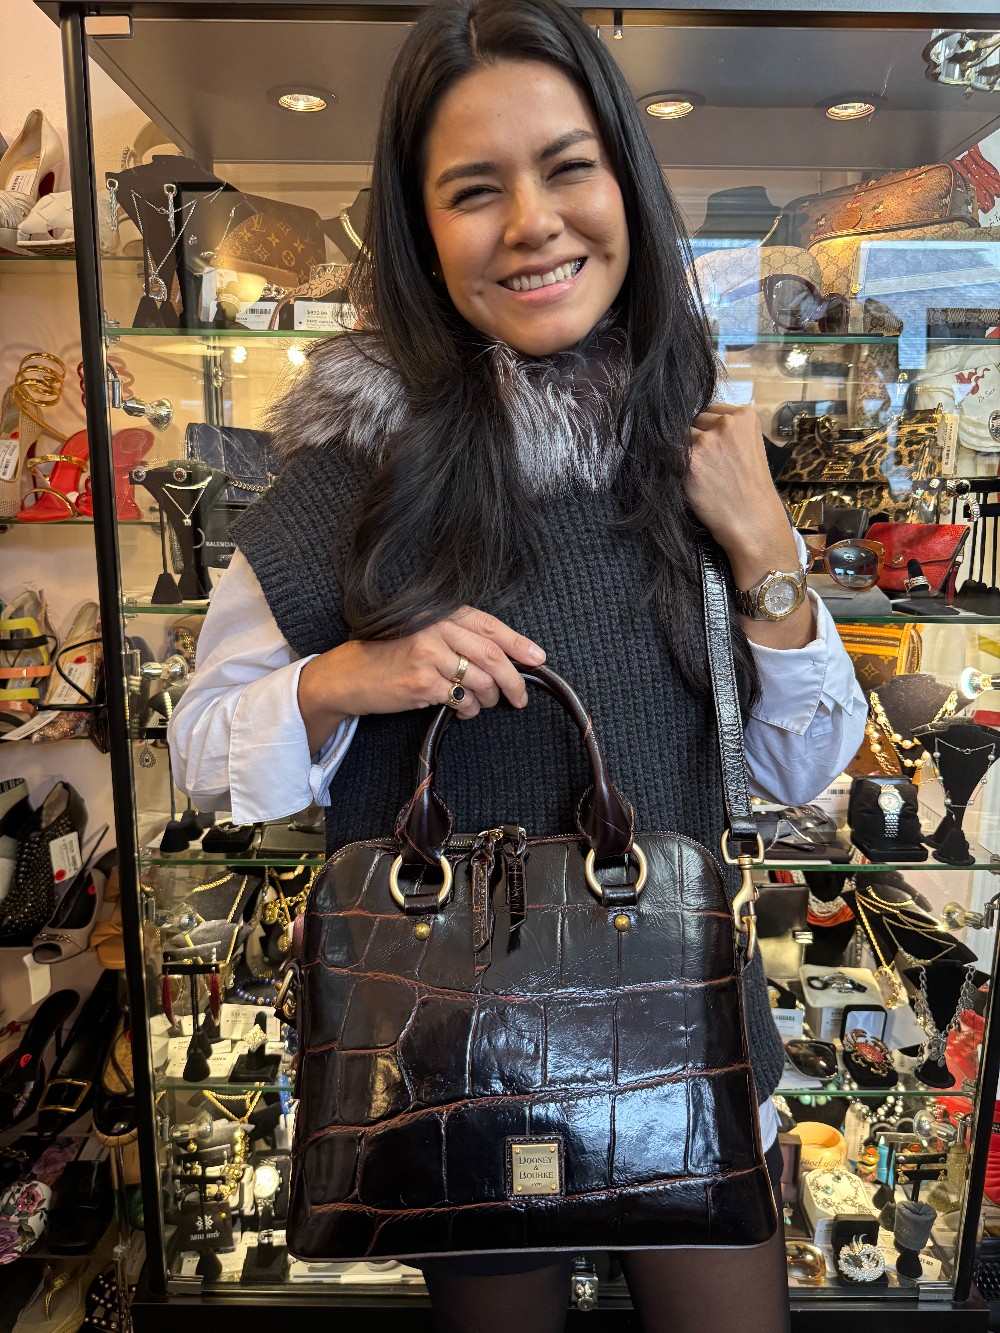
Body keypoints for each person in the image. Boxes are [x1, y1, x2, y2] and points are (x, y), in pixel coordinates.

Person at [169, 0, 865, 1326]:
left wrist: (766, 542)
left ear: (625, 181)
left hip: (683, 1037)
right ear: (421, 230)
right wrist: (356, 674)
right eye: (474, 190)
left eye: (568, 167)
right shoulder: (353, 472)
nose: (534, 223)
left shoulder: (694, 448)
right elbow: (203, 753)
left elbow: (799, 766)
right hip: (450, 1056)